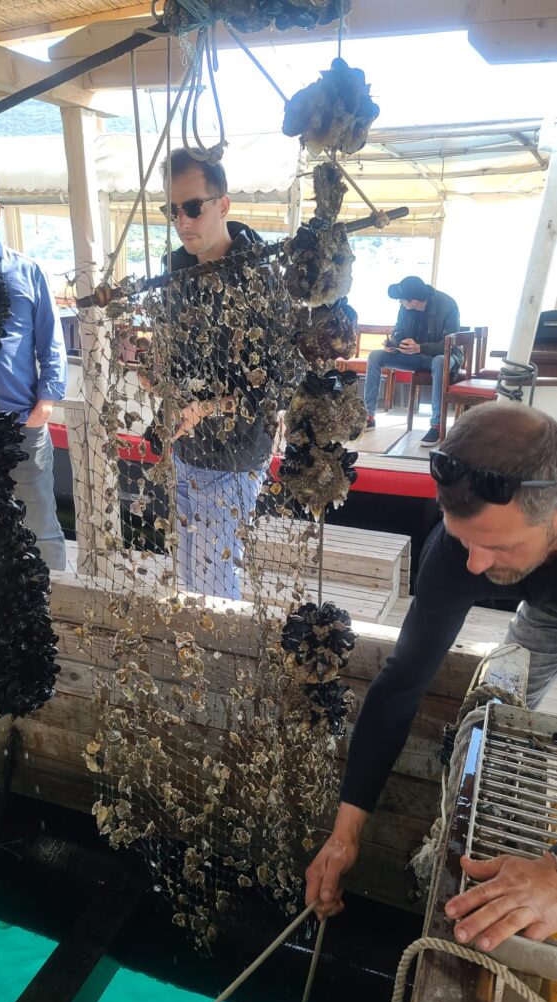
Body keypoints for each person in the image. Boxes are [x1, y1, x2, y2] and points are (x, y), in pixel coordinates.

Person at [305, 403, 557, 934]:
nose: (475, 566)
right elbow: (401, 685)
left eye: (497, 546)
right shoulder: (459, 551)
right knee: (510, 727)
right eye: (465, 538)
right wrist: (345, 833)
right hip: (545, 611)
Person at [149, 148, 296, 599]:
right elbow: (171, 361)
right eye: (172, 210)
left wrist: (210, 406)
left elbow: (282, 382)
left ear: (223, 204)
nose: (183, 222)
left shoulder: (263, 275)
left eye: (193, 207)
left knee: (214, 582)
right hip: (183, 449)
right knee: (190, 580)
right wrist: (151, 371)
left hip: (235, 457)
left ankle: (220, 670)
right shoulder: (173, 271)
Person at [0, 164, 67, 570]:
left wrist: (43, 409)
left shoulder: (28, 272)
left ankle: (61, 622)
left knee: (42, 529)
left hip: (21, 427)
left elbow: (52, 343)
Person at [364, 275, 461, 447]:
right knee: (375, 356)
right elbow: (399, 330)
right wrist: (393, 343)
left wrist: (420, 348)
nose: (400, 303)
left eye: (402, 300)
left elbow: (449, 345)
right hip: (414, 356)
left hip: (445, 357)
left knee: (439, 361)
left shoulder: (448, 305)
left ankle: (436, 425)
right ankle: (368, 416)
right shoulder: (405, 308)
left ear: (414, 302)